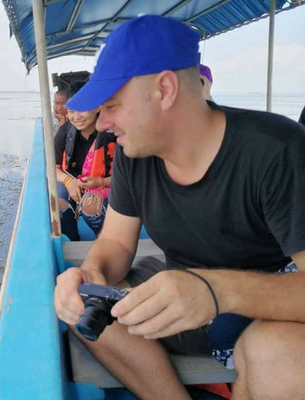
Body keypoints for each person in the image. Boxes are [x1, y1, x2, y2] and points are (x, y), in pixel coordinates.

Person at [54, 15, 305, 400]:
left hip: (265, 303)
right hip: (177, 293)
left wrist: (213, 290)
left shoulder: (276, 149)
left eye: (113, 106)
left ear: (165, 89)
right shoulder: (132, 154)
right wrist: (90, 274)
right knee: (86, 308)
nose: (103, 123)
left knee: (280, 355)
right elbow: (118, 246)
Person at [54, 82, 116, 241]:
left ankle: (104, 238)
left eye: (83, 109)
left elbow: (129, 176)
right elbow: (52, 169)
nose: (77, 116)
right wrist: (69, 181)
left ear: (97, 107)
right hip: (74, 182)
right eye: (72, 110)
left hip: (106, 184)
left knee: (90, 206)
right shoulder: (65, 131)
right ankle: (72, 238)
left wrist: (100, 182)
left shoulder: (113, 133)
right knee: (57, 206)